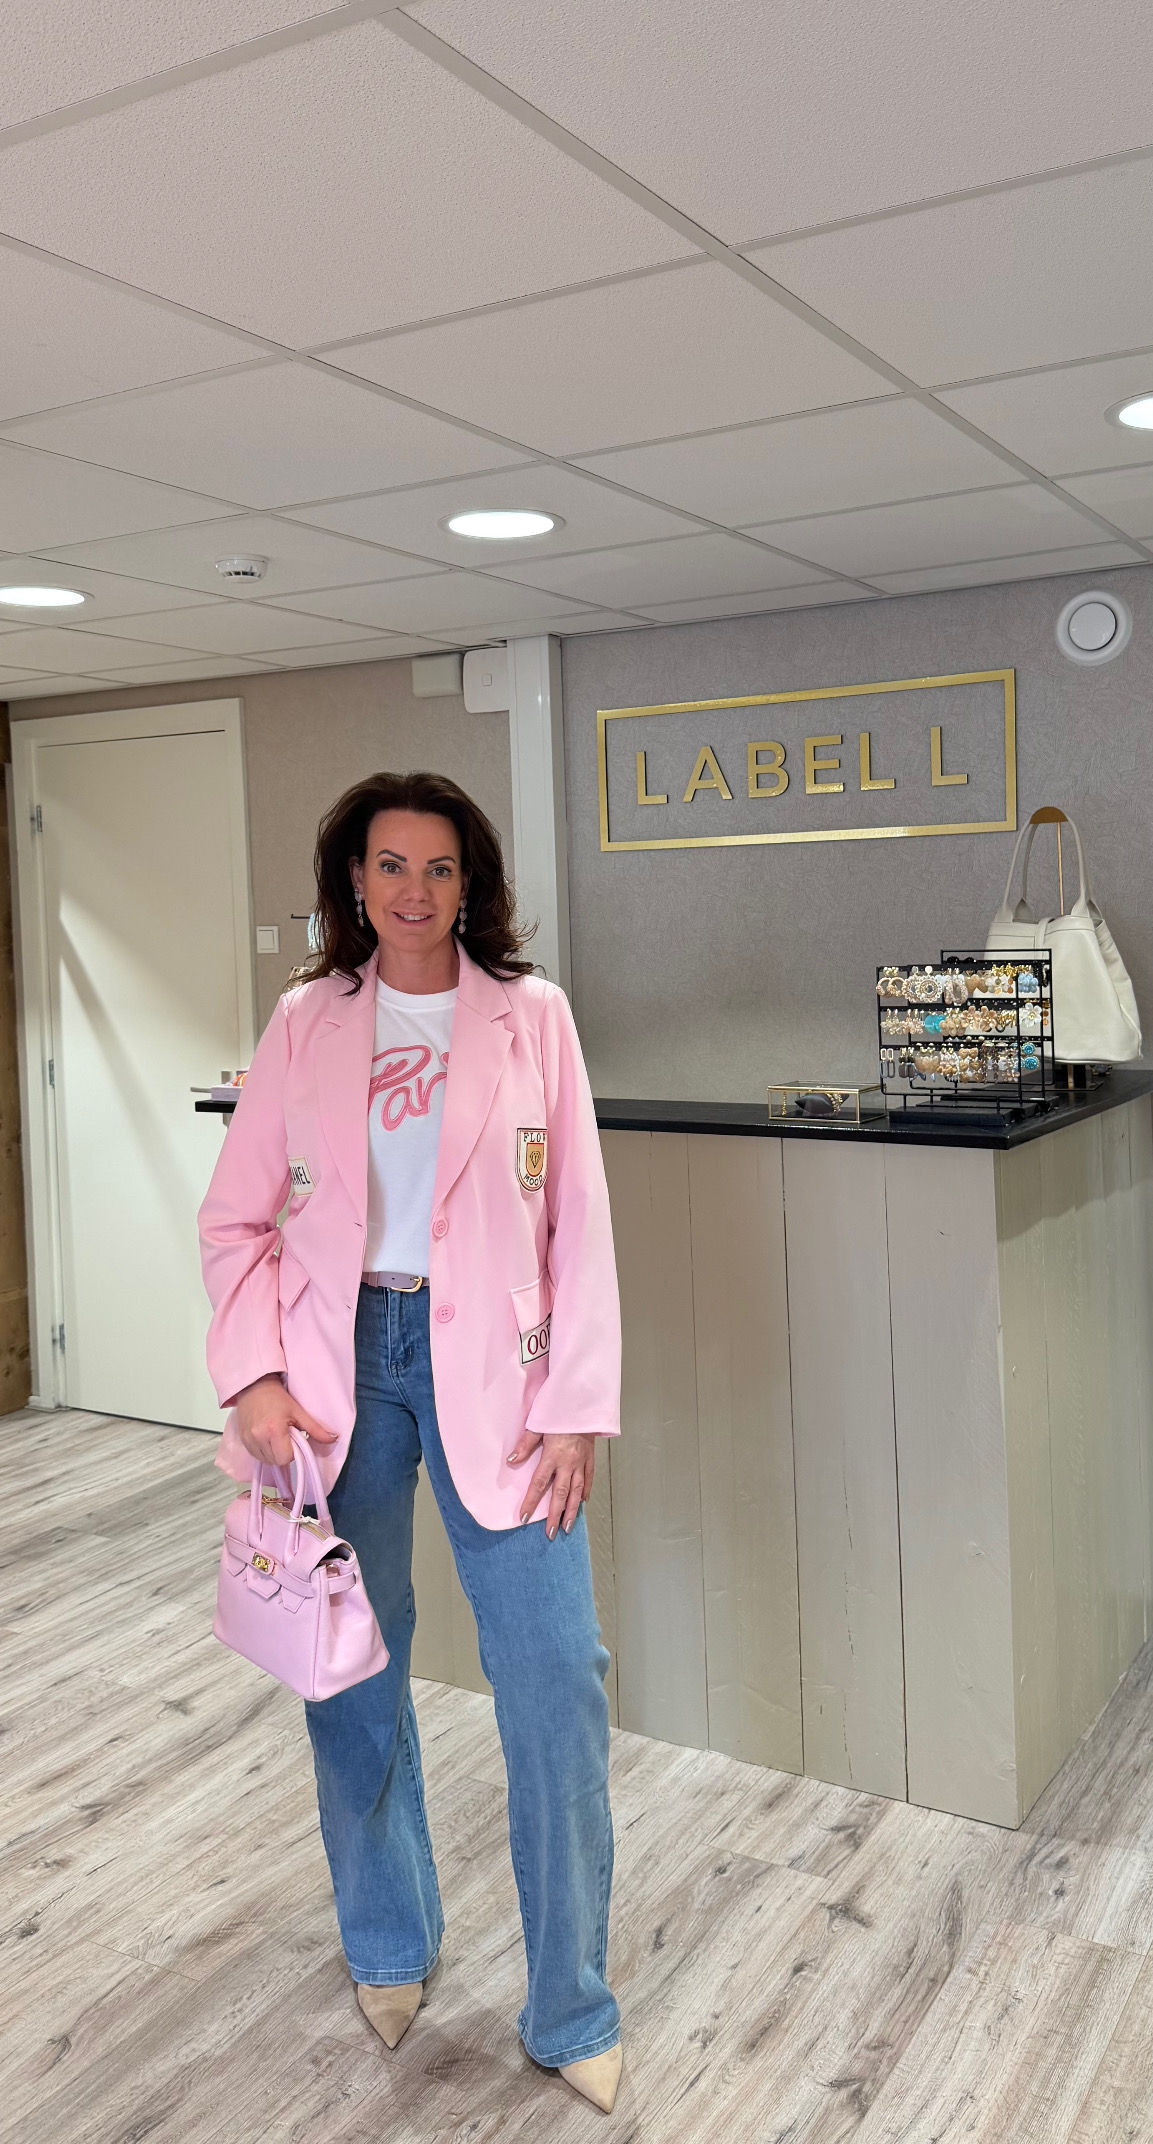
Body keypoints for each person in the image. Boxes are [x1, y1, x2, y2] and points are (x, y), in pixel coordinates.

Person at [198, 769, 623, 2114]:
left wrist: (575, 1405)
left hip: (502, 1373)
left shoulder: (532, 1017)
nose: (415, 890)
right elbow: (237, 1217)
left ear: (470, 882)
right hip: (340, 1376)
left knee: (556, 1676)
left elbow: (578, 1222)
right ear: (354, 881)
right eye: (390, 865)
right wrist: (256, 1374)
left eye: (439, 867)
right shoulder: (304, 1020)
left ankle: (571, 2004)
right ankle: (388, 1941)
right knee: (348, 1671)